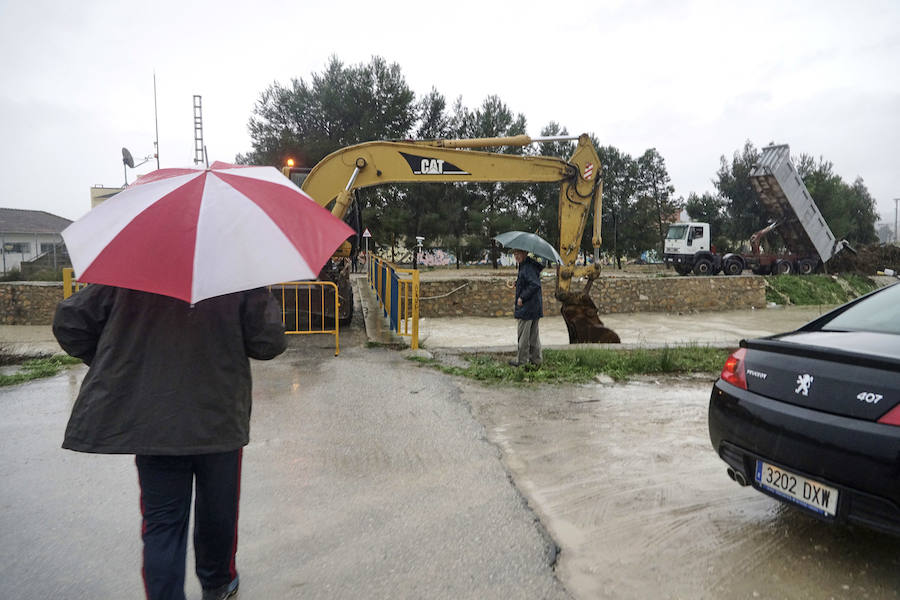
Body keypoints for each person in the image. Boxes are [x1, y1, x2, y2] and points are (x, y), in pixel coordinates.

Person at [52, 285, 287, 600]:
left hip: (155, 421)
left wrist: (115, 358)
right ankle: (218, 583)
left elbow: (70, 321)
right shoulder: (235, 276)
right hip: (218, 418)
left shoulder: (131, 272)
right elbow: (268, 342)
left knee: (162, 524)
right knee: (219, 510)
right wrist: (262, 296)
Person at [510, 249, 543, 367]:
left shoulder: (527, 267)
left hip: (527, 307)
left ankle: (522, 361)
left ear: (525, 253)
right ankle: (536, 360)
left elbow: (534, 285)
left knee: (523, 336)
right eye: (514, 254)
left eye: (518, 254)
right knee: (533, 336)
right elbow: (529, 281)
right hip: (534, 306)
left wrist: (522, 298)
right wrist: (518, 282)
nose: (516, 256)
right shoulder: (527, 265)